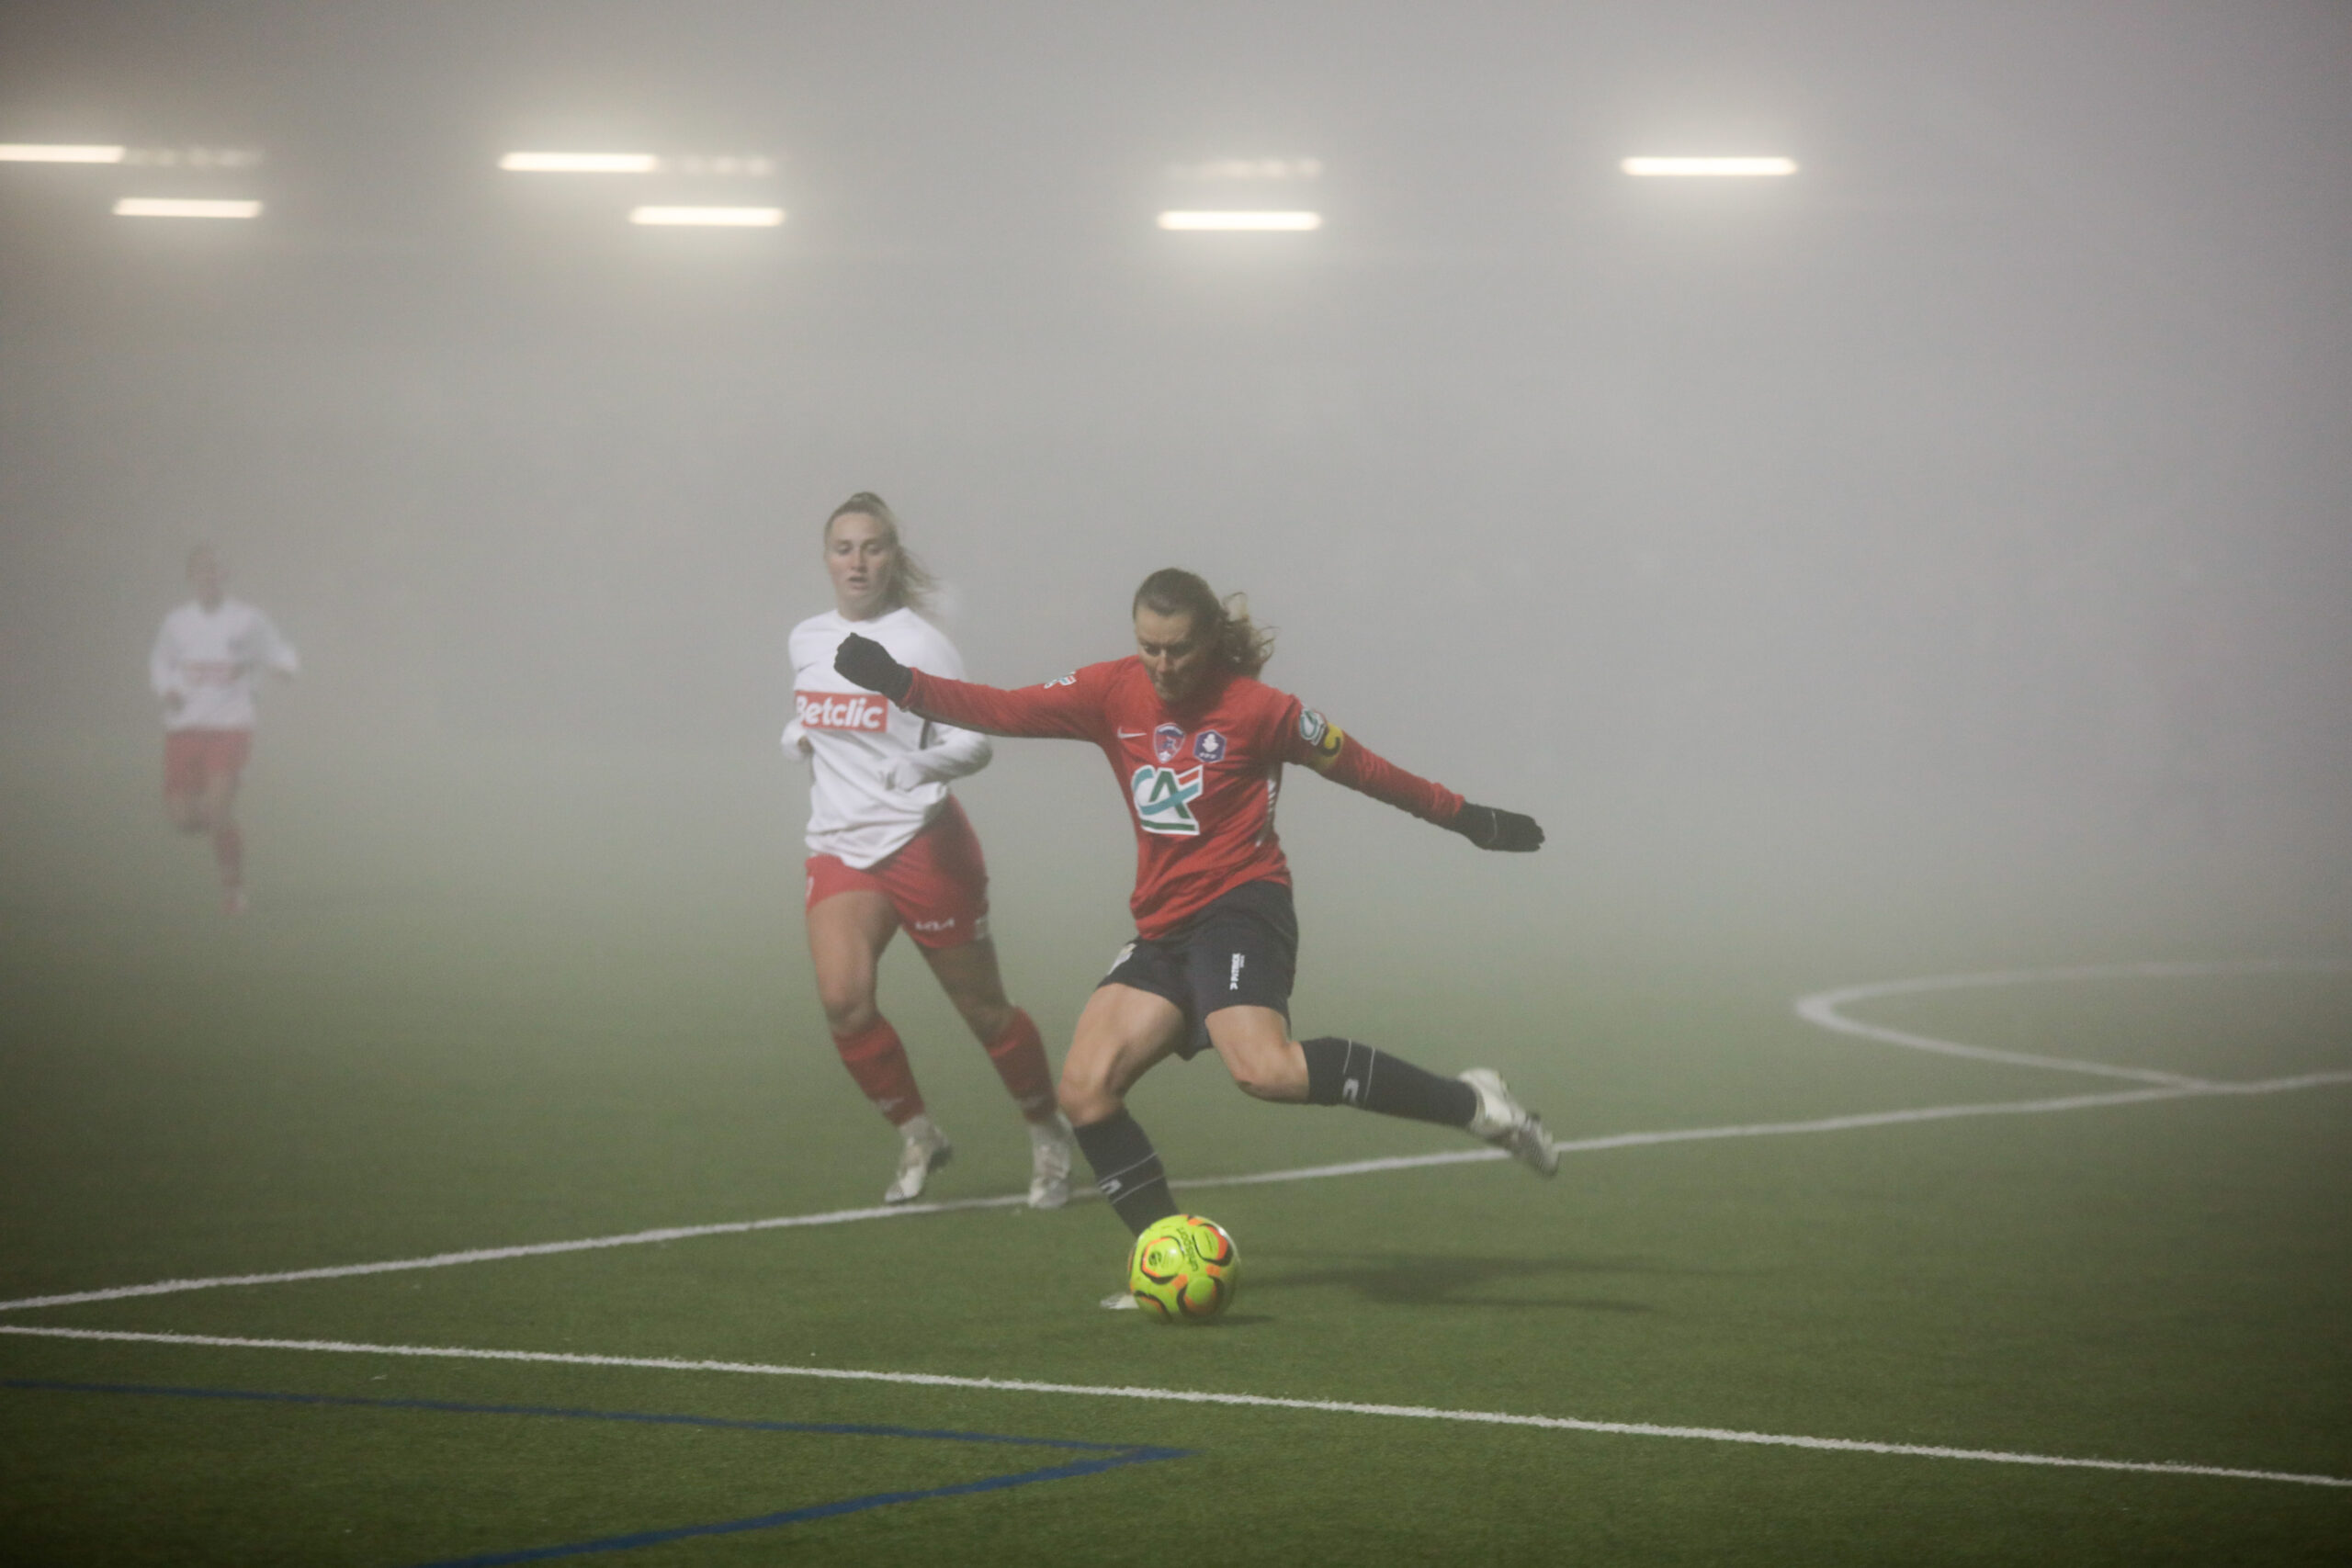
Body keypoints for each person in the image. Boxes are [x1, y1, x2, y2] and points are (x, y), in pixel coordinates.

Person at [833, 567, 1555, 1289]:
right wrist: (900, 683)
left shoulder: (1261, 710)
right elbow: (1002, 708)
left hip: (1243, 905)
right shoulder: (1109, 690)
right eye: (1149, 646)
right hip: (1163, 925)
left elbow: (1366, 769)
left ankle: (1474, 1103)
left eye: (1178, 648)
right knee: (1085, 1090)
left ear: (1209, 639)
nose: (1163, 664)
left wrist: (1469, 819)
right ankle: (1172, 1262)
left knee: (1264, 1070)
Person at [785, 493, 1078, 1208]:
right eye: (844, 548)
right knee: (844, 1002)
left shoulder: (919, 644)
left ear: (893, 557)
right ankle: (919, 1132)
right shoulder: (805, 638)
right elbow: (821, 713)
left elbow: (974, 740)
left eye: (873, 547)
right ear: (826, 558)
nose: (858, 562)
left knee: (984, 1011)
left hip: (923, 844)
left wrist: (918, 766)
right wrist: (799, 733)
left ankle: (1047, 1130)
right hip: (841, 848)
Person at [150, 545, 300, 914]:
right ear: (191, 577)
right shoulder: (176, 622)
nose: (209, 576)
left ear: (225, 575)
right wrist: (166, 689)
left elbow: (278, 650)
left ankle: (233, 890)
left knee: (217, 808)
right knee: (184, 820)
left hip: (230, 726)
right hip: (184, 727)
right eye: (202, 570)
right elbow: (160, 661)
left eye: (215, 569)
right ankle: (223, 826)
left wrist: (285, 668)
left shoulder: (247, 619)